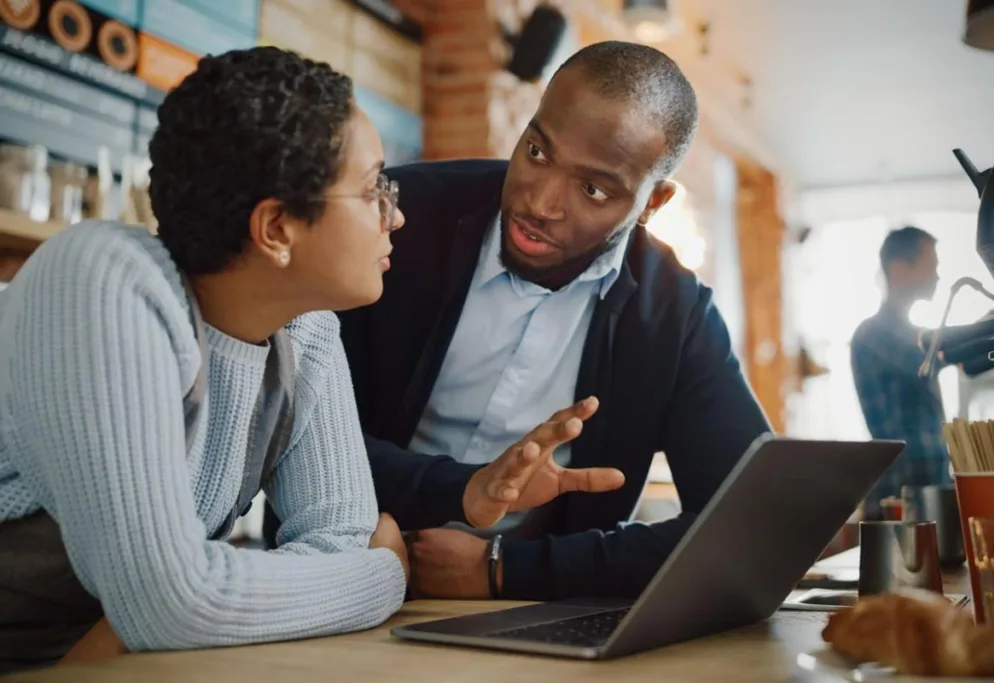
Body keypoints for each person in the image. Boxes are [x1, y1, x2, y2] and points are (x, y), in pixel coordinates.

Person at [0, 46, 623, 673]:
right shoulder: (103, 284)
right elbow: (172, 603)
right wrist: (385, 573)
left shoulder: (306, 332)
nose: (397, 214)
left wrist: (197, 597)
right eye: (371, 189)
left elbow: (326, 541)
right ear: (276, 229)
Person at [333, 41, 774, 601]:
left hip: (532, 615)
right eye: (538, 152)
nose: (540, 203)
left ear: (652, 202)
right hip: (342, 580)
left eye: (592, 189)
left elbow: (751, 527)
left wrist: (505, 568)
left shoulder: (676, 315)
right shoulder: (400, 219)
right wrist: (460, 491)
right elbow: (301, 433)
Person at [850, 226, 951, 520]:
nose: (936, 276)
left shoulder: (911, 333)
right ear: (898, 269)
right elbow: (926, 358)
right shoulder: (872, 333)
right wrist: (979, 335)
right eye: (930, 266)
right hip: (899, 497)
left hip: (928, 490)